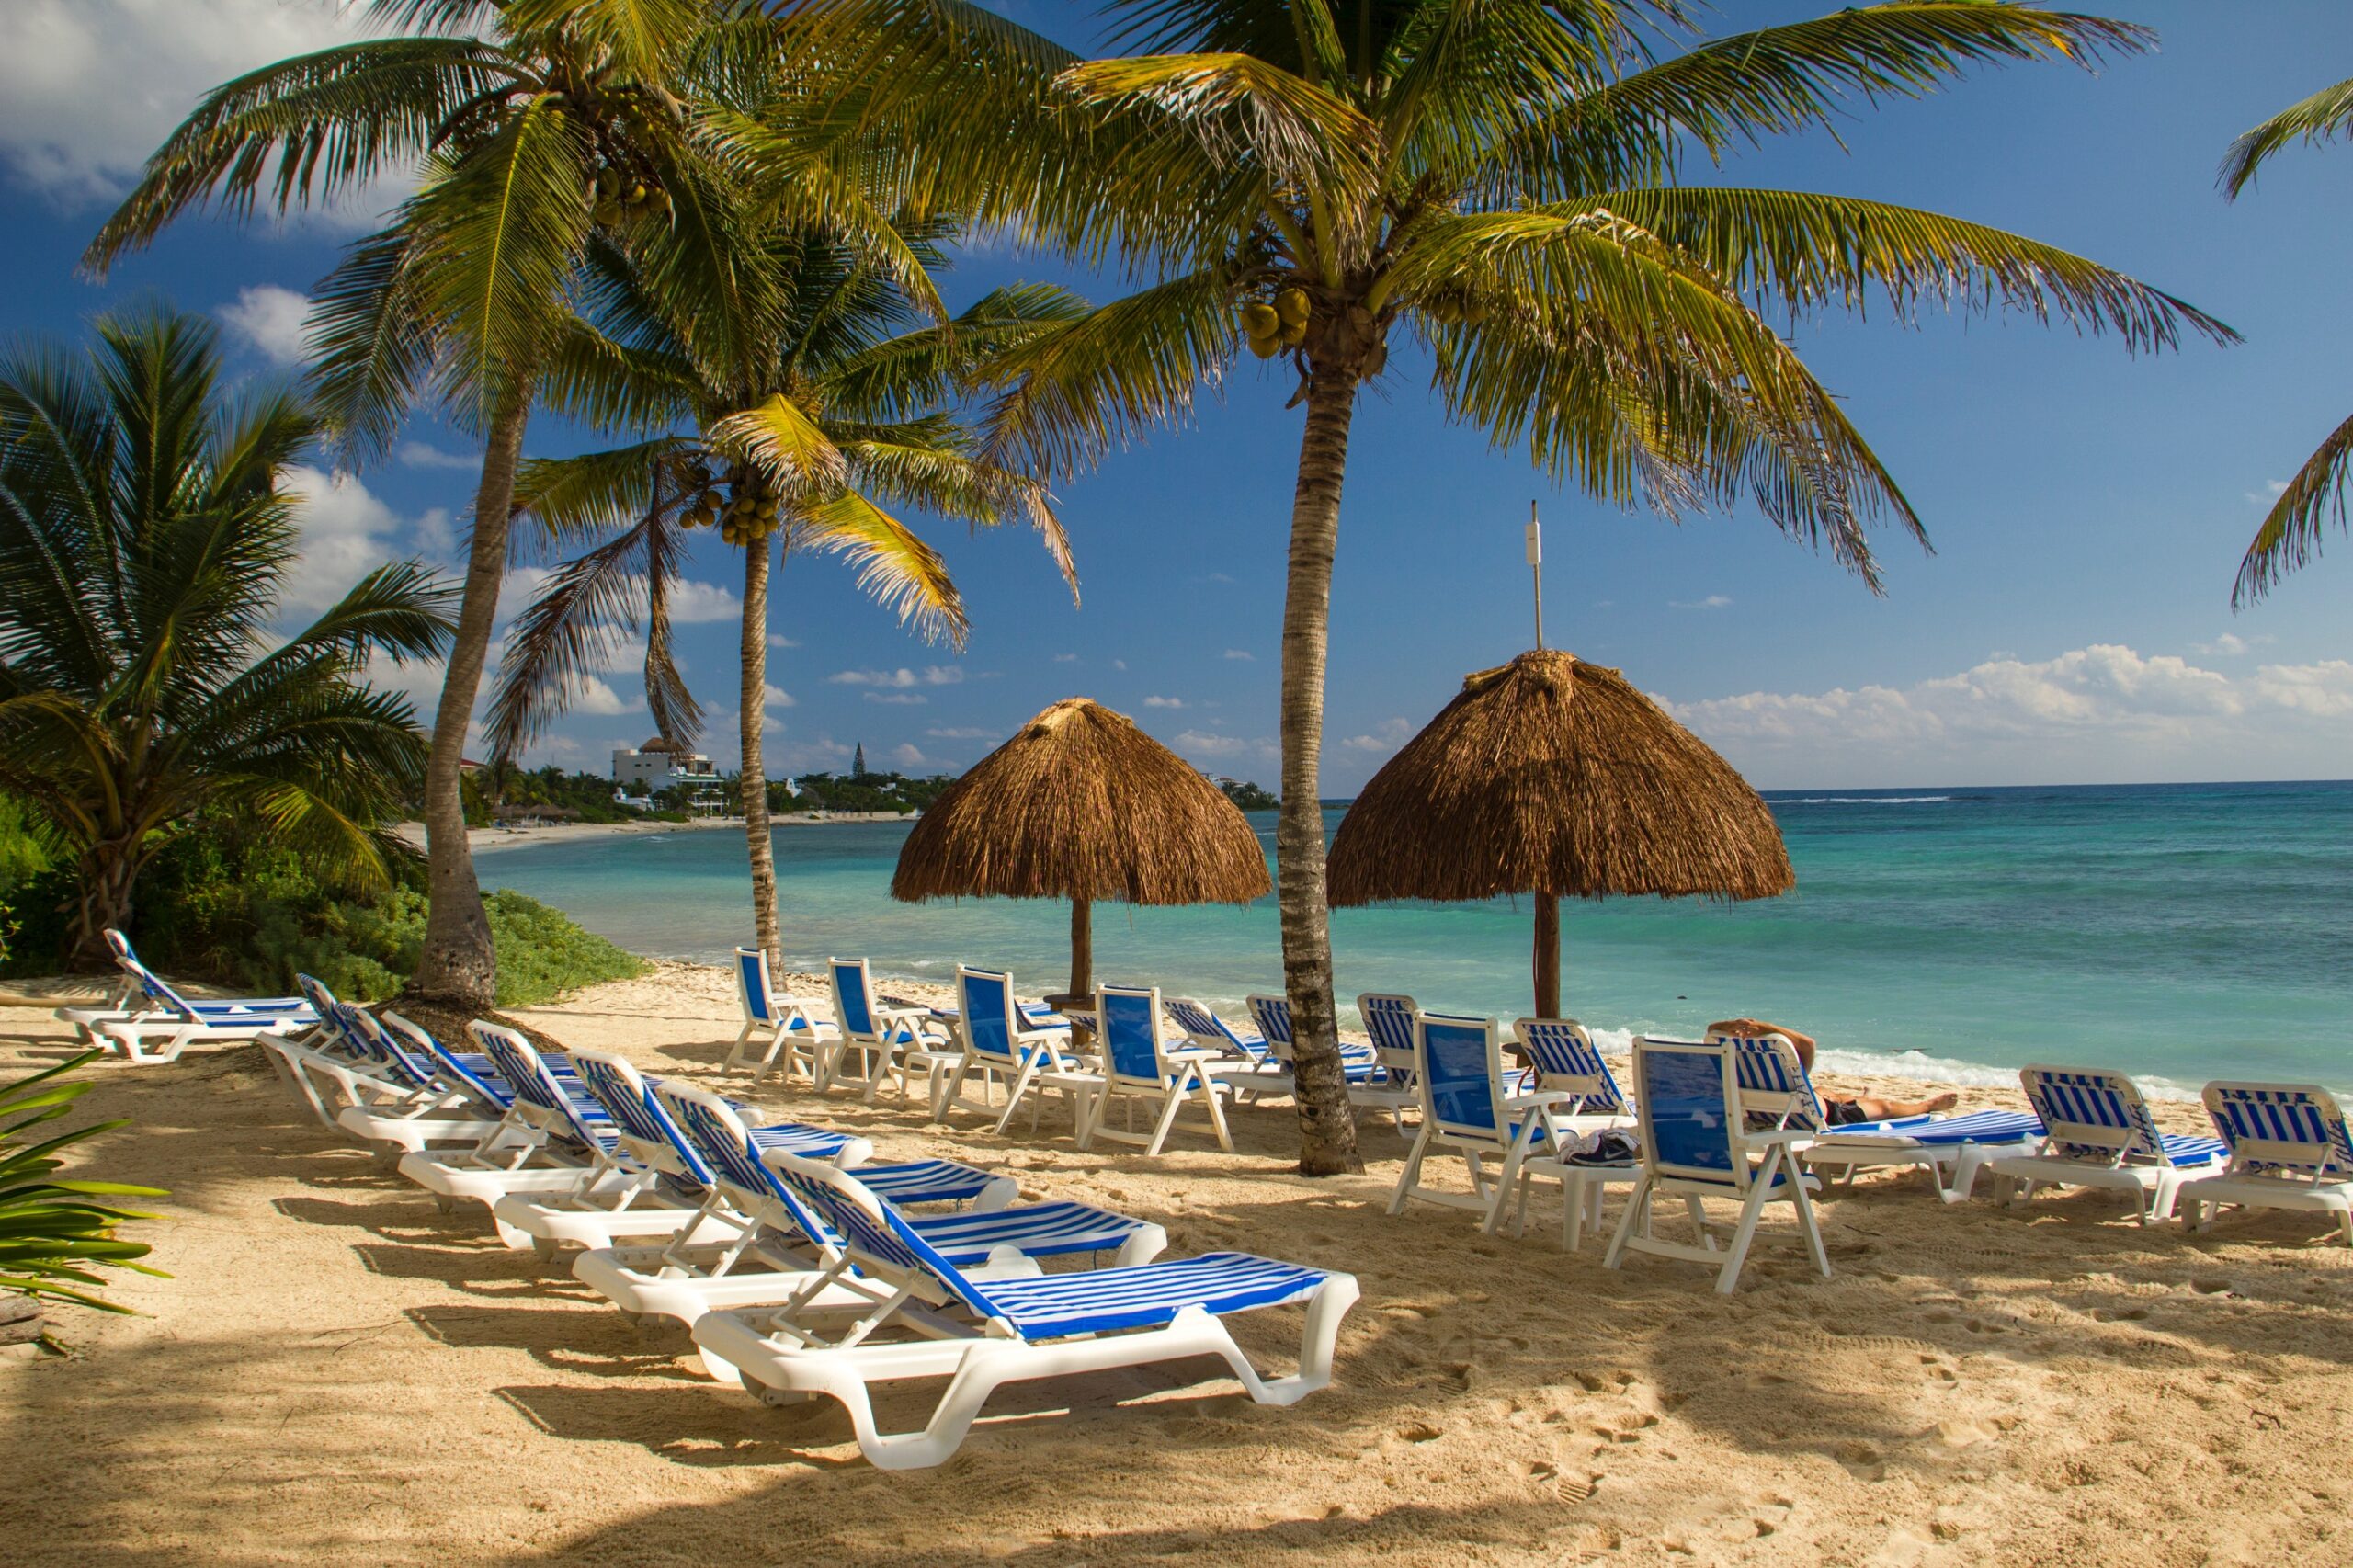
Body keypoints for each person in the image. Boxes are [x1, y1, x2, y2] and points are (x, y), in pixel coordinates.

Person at [1706, 1018, 1958, 1126]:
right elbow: (1808, 1044)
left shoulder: (1746, 1072)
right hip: (1815, 1117)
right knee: (1884, 1106)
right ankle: (1928, 1105)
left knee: (1827, 1092)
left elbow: (1710, 1031)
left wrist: (1726, 1026)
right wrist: (1765, 1027)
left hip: (1768, 1114)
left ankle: (1861, 1095)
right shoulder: (1787, 1074)